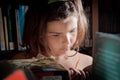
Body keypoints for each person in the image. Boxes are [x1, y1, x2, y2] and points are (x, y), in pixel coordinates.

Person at [13, 0, 93, 80]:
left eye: (72, 31)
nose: (67, 41)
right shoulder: (18, 63)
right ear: (39, 34)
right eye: (56, 35)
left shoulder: (88, 63)